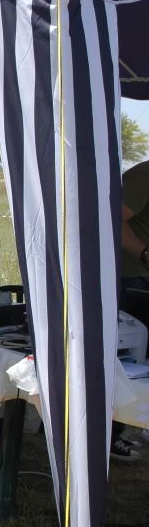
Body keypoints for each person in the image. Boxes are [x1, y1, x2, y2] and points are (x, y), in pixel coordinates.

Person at [116, 159, 149, 461]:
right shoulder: (144, 175)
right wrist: (144, 253)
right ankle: (113, 435)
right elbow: (117, 218)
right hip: (132, 277)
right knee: (127, 358)